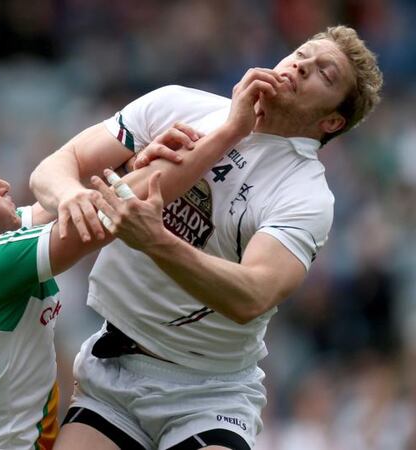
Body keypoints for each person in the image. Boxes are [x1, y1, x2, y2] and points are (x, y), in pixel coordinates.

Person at [29, 25, 383, 450]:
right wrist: (72, 197)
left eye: (324, 73)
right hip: (113, 372)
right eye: (302, 54)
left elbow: (251, 295)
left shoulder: (306, 194)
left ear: (331, 120)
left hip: (208, 392)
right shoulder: (180, 104)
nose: (302, 66)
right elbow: (56, 167)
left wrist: (155, 239)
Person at [0, 91, 263, 449]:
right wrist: (229, 131)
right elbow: (109, 215)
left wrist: (135, 160)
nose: (1, 185)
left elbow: (78, 201)